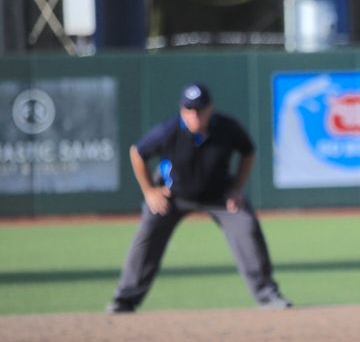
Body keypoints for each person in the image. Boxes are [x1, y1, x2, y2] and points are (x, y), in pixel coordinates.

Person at [106, 83, 292, 313]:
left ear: (210, 109)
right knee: (147, 234)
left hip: (219, 195)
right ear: (182, 110)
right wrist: (150, 190)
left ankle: (268, 295)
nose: (194, 115)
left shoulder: (227, 128)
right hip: (174, 196)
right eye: (189, 109)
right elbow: (137, 152)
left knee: (247, 226)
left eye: (199, 109)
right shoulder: (169, 130)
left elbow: (248, 151)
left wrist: (237, 187)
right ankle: (124, 300)